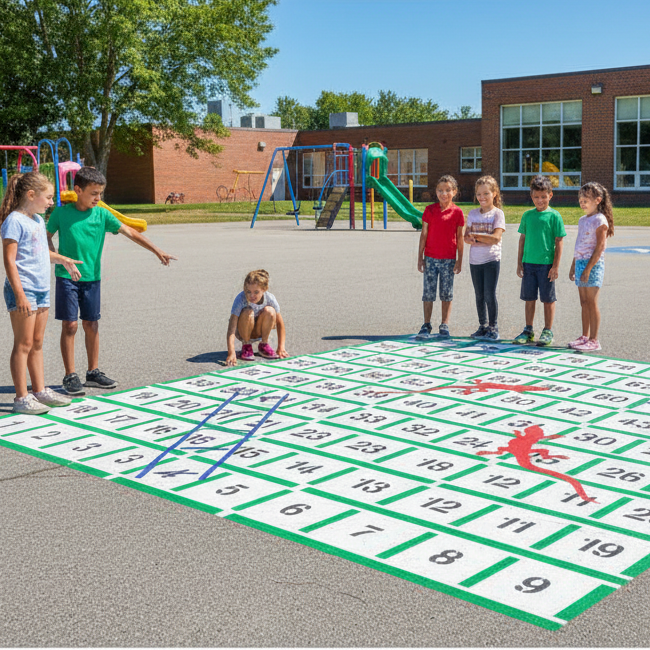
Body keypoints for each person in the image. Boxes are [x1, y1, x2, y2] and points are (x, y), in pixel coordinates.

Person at [46, 167, 177, 395]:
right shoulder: (61, 214)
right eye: (94, 193)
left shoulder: (102, 215)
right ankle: (70, 375)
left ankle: (93, 372)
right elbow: (46, 237)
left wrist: (157, 250)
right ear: (78, 190)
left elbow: (131, 233)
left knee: (91, 324)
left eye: (101, 194)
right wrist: (58, 259)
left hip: (92, 278)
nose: (99, 198)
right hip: (67, 276)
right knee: (70, 325)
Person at [1, 172, 83, 414]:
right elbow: (10, 261)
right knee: (23, 344)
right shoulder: (14, 221)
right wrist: (20, 295)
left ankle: (39, 390)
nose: (51, 202)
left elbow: (40, 253)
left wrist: (63, 260)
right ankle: (21, 398)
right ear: (31, 195)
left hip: (41, 289)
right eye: (48, 197)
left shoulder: (37, 220)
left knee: (37, 343)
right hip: (23, 289)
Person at [513, 175, 566, 347]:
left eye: (543, 196)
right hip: (529, 263)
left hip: (546, 265)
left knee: (548, 298)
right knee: (529, 298)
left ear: (550, 195)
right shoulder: (527, 216)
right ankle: (528, 330)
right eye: (536, 197)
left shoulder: (554, 216)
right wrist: (519, 262)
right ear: (531, 196)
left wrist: (556, 266)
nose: (540, 200)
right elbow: (522, 239)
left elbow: (559, 242)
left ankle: (547, 330)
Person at [416, 175, 464, 339]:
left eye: (448, 190)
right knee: (428, 293)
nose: (444, 194)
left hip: (448, 259)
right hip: (430, 258)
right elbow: (424, 234)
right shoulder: (429, 210)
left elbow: (460, 238)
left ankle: (444, 324)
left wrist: (459, 260)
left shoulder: (457, 212)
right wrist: (420, 257)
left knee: (446, 293)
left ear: (454, 192)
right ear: (436, 192)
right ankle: (426, 324)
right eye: (440, 190)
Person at [568, 182, 614, 352]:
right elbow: (579, 244)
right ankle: (584, 336)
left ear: (598, 200)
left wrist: (588, 268)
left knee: (592, 302)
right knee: (584, 302)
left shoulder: (600, 220)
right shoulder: (582, 220)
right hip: (580, 263)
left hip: (593, 264)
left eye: (586, 198)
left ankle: (595, 339)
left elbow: (600, 246)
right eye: (580, 198)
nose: (582, 201)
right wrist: (574, 265)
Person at [464, 175, 506, 341]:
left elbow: (496, 238)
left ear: (494, 194)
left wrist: (477, 237)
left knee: (489, 294)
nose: (482, 197)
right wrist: (470, 238)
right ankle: (482, 326)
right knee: (479, 295)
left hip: (491, 260)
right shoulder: (473, 213)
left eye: (486, 193)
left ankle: (493, 327)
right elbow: (466, 237)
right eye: (479, 194)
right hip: (475, 260)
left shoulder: (497, 214)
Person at [226, 269, 288, 365]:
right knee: (248, 311)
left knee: (270, 311)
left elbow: (280, 323)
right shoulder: (240, 298)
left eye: (256, 292)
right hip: (243, 331)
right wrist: (231, 352)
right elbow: (232, 327)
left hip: (259, 331)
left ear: (264, 289)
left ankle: (264, 344)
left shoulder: (270, 298)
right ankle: (246, 345)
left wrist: (281, 347)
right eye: (248, 292)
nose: (252, 295)